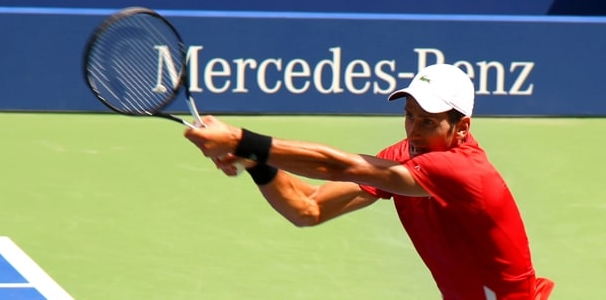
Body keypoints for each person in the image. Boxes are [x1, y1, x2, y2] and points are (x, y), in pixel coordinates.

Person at [183, 64, 554, 299]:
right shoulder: (404, 154)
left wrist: (239, 140)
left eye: (428, 121)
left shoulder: (463, 171)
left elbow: (338, 167)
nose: (414, 129)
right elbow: (307, 208)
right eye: (409, 115)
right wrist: (257, 162)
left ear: (462, 128)